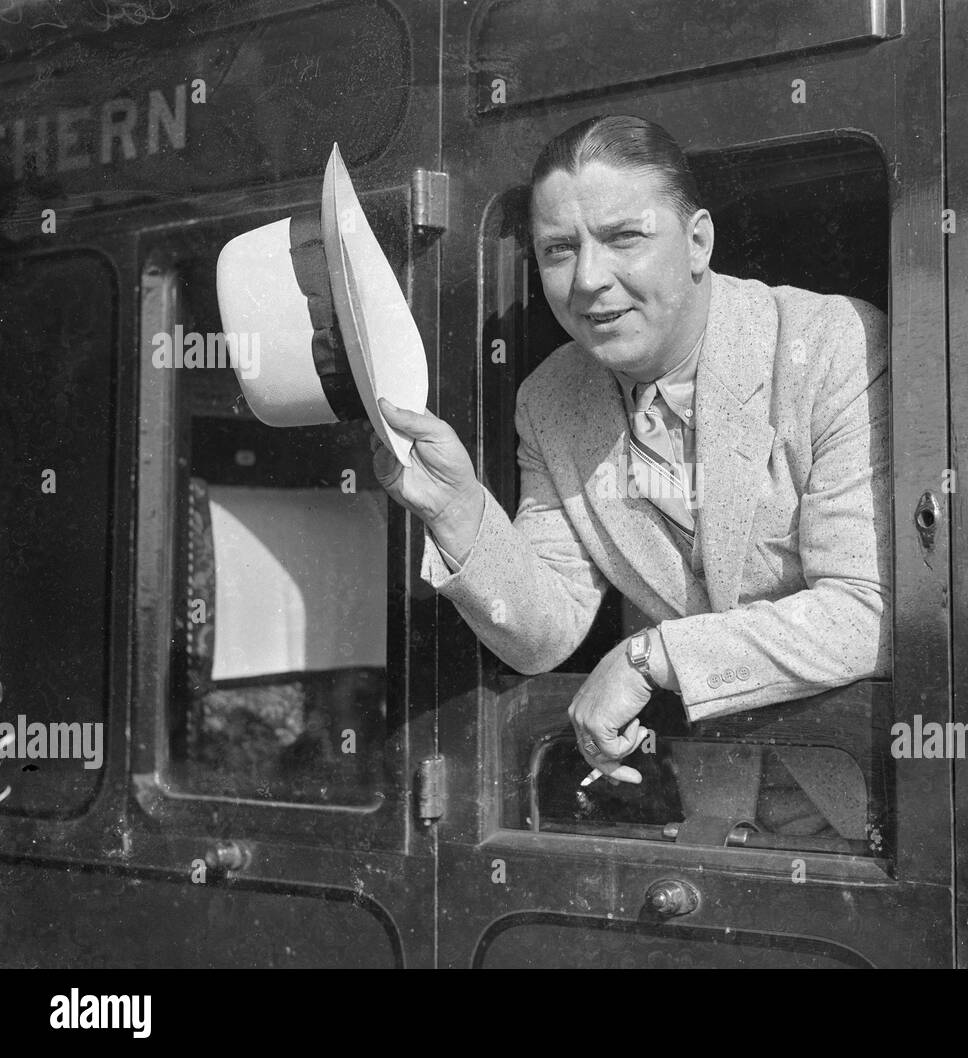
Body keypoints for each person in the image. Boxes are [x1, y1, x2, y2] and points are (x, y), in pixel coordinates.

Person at [373, 115, 890, 785]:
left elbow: (864, 611)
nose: (588, 277)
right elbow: (544, 634)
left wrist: (652, 656)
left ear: (698, 241)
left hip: (873, 805)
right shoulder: (550, 398)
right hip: (714, 802)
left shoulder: (830, 346)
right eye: (559, 249)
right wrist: (457, 513)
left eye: (623, 238)